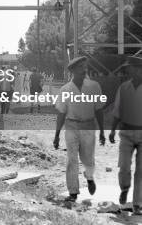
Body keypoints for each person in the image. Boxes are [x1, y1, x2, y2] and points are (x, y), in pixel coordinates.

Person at [53, 57, 105, 202]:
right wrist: (56, 135)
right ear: (73, 71)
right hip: (71, 126)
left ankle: (89, 177)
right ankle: (73, 192)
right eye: (81, 67)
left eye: (85, 66)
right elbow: (61, 113)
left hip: (88, 126)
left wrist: (102, 131)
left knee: (88, 160)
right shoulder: (65, 89)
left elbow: (99, 109)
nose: (84, 69)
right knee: (72, 159)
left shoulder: (94, 86)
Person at [109, 56, 142, 214]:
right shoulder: (123, 88)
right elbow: (117, 110)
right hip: (126, 133)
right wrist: (112, 130)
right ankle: (124, 188)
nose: (128, 70)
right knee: (123, 167)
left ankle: (137, 204)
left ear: (139, 69)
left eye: (130, 68)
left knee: (141, 171)